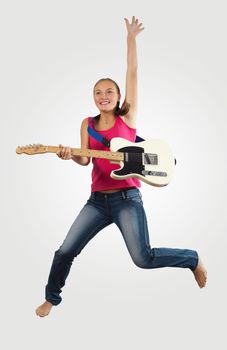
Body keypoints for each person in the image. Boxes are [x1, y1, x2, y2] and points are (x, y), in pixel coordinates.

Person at [36, 16, 207, 317]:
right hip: (97, 201)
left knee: (142, 258)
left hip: (128, 199)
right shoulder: (86, 124)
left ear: (117, 98)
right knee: (65, 251)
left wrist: (131, 39)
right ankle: (52, 297)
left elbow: (133, 72)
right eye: (98, 93)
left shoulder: (127, 119)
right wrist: (68, 154)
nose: (103, 96)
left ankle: (192, 259)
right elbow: (85, 159)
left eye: (109, 92)